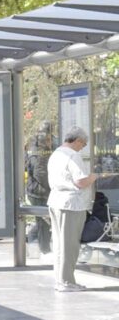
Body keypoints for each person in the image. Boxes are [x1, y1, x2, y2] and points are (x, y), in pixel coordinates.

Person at [47, 126, 97, 292]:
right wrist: (93, 177)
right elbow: (81, 181)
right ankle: (67, 282)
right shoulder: (73, 156)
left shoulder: (56, 154)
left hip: (55, 202)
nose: (82, 147)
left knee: (60, 243)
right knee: (69, 245)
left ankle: (60, 280)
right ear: (76, 141)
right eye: (83, 144)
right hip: (71, 205)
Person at [25, 124, 52, 256]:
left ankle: (29, 240)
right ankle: (45, 251)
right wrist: (52, 187)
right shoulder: (41, 150)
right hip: (39, 192)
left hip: (37, 191)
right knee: (44, 222)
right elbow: (40, 173)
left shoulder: (38, 147)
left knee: (43, 221)